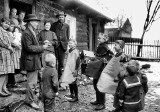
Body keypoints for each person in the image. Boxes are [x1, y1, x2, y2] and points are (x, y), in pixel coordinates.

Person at [21, 14, 48, 109]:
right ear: (30, 22)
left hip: (34, 60)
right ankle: (29, 101)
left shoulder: (32, 31)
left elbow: (33, 44)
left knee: (33, 82)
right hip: (30, 61)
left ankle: (31, 98)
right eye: (36, 21)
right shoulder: (26, 33)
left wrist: (42, 43)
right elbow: (29, 48)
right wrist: (42, 48)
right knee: (31, 83)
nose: (37, 23)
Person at [90, 33, 114, 111]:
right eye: (98, 38)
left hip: (101, 69)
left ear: (104, 39)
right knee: (95, 83)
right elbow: (97, 56)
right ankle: (98, 100)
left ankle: (102, 103)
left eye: (99, 38)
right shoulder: (100, 46)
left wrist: (104, 60)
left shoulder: (105, 47)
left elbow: (110, 56)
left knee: (100, 85)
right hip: (97, 68)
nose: (98, 39)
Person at [50, 11, 70, 81]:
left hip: (63, 46)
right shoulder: (54, 25)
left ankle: (60, 77)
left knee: (61, 63)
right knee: (54, 62)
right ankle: (54, 76)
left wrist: (67, 45)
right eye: (60, 17)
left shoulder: (67, 26)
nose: (61, 18)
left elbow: (67, 36)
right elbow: (51, 34)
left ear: (64, 17)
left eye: (62, 17)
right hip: (56, 46)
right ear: (58, 18)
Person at [0, 17, 14, 97]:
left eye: (8, 24)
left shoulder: (6, 32)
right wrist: (9, 47)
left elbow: (10, 41)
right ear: (1, 23)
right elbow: (0, 41)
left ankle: (4, 88)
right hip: (2, 53)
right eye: (5, 23)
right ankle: (0, 89)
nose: (7, 25)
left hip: (7, 54)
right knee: (2, 72)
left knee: (6, 72)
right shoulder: (0, 30)